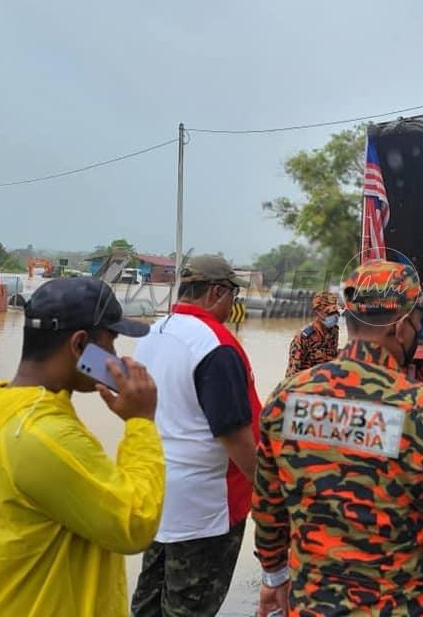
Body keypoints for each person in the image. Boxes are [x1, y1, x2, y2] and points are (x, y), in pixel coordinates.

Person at [252, 260, 423, 616]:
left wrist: (274, 580)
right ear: (399, 327)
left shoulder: (287, 399)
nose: (418, 331)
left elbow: (269, 510)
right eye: (418, 322)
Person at [0, 277, 164, 617]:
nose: (114, 358)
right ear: (80, 345)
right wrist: (141, 423)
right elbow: (135, 523)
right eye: (110, 343)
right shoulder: (44, 435)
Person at [131, 255, 262, 617]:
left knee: (148, 604)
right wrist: (270, 490)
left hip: (158, 496)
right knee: (190, 608)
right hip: (207, 509)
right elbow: (236, 436)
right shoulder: (216, 345)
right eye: (232, 295)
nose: (233, 304)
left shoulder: (154, 333)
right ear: (217, 291)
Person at [285, 291, 340, 376]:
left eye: (336, 312)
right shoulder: (303, 337)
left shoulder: (334, 331)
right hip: (307, 385)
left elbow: (332, 357)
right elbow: (292, 374)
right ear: (318, 312)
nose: (335, 316)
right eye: (329, 312)